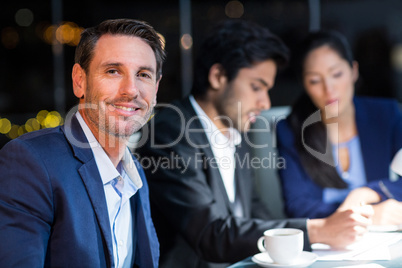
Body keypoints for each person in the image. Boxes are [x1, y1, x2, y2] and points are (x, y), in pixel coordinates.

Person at [135, 20, 372, 268]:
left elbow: (255, 212)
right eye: (256, 87)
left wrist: (292, 243)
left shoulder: (235, 130)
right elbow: (210, 234)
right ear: (218, 76)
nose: (265, 103)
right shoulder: (169, 133)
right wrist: (316, 230)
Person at [0, 18, 165, 267]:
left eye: (143, 74)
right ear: (80, 80)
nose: (131, 90)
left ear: (156, 88)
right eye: (113, 71)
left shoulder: (135, 173)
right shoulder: (31, 161)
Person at [276, 30, 402, 224]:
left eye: (336, 74)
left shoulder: (385, 114)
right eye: (315, 81)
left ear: (354, 71)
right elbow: (297, 206)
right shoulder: (290, 130)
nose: (329, 89)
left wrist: (368, 193)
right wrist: (364, 215)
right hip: (328, 242)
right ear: (304, 84)